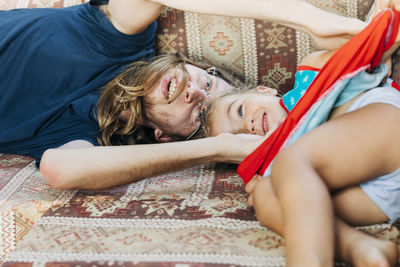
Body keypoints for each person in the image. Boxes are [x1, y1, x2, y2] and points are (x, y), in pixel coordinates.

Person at [0, 0, 366, 190]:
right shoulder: (116, 39)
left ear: (165, 136)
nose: (192, 93)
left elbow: (58, 169)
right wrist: (310, 19)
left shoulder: (88, 135)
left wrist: (220, 147)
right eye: (207, 84)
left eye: (197, 114)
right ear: (193, 66)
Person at [203, 6, 400, 267]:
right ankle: (362, 248)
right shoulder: (275, 167)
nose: (248, 126)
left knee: (291, 164)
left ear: (265, 90)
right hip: (379, 195)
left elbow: (362, 53)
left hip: (385, 127)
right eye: (238, 135)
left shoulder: (309, 73)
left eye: (240, 111)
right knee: (265, 199)